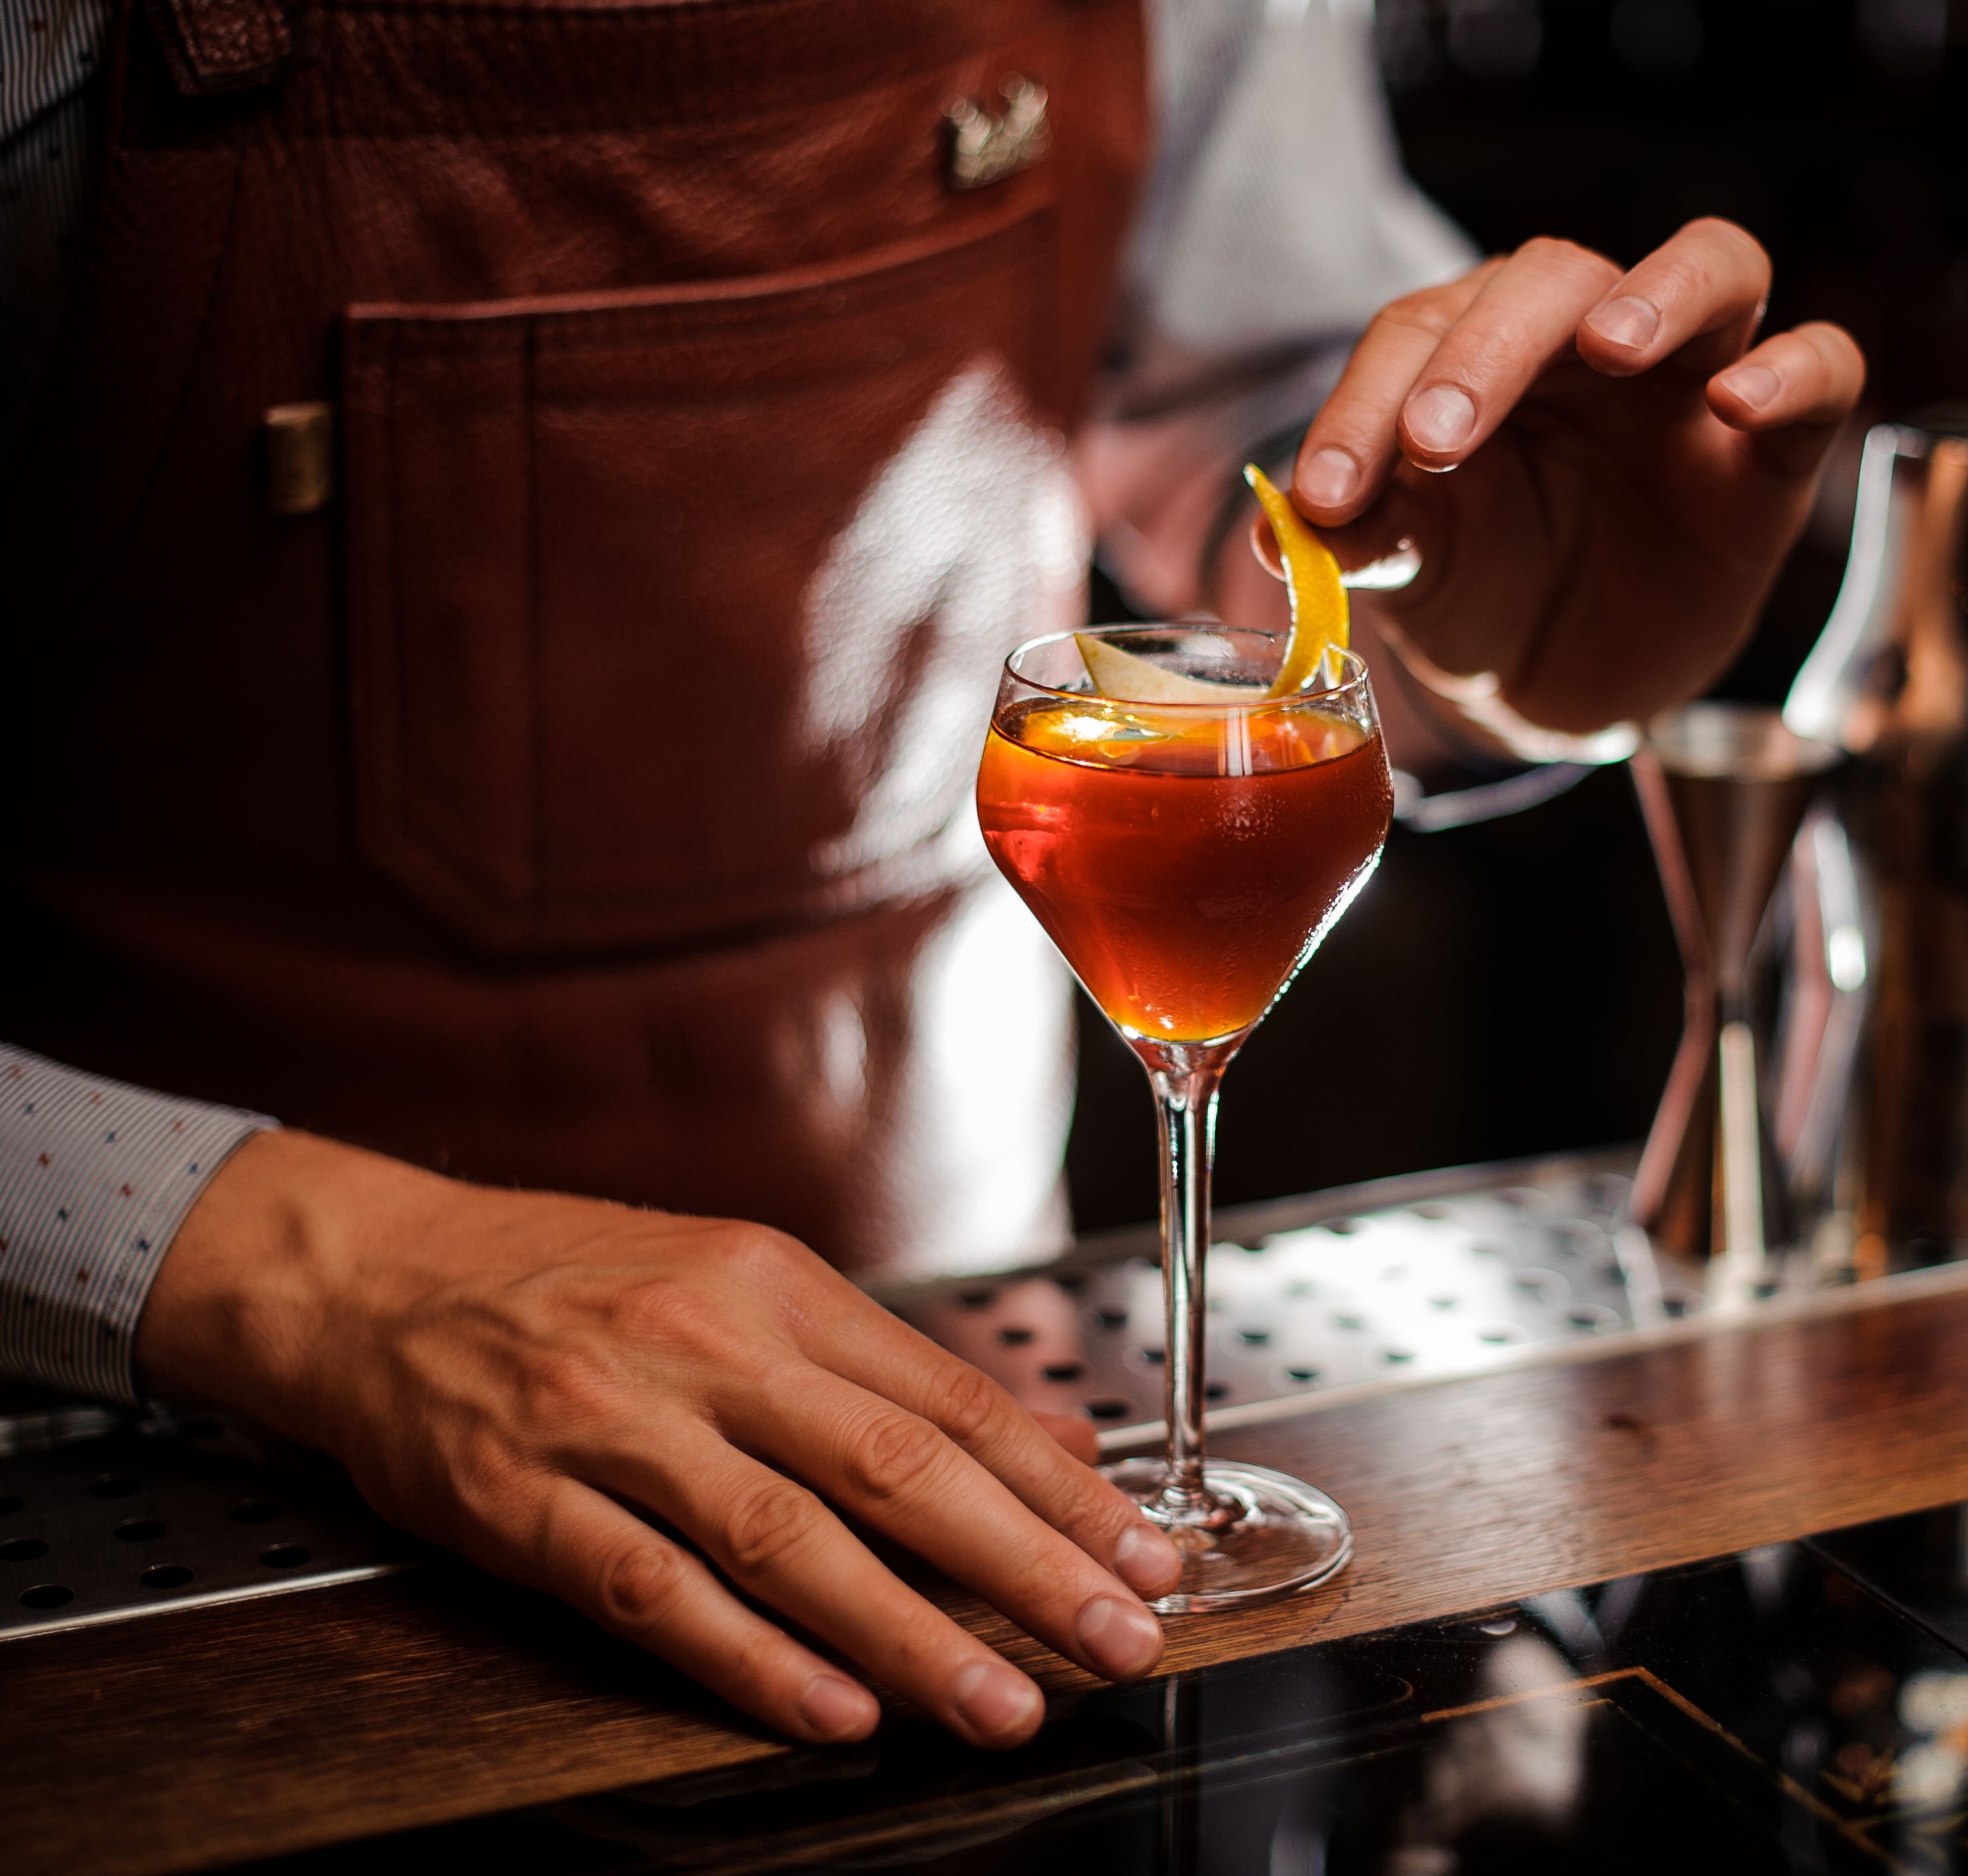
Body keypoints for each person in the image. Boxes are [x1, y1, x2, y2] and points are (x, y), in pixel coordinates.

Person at [0, 0, 1861, 1749]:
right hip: (168, 1493)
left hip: (974, 1423)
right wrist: (306, 1277)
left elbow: (1267, 465)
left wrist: (1475, 626)